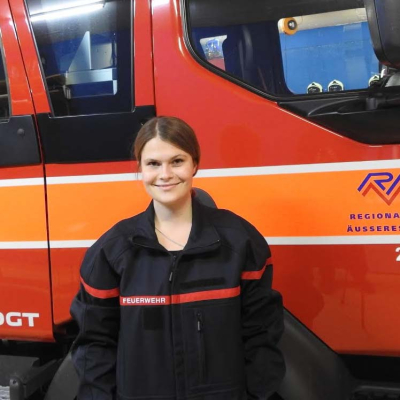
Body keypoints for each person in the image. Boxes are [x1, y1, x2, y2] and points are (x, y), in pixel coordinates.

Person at [70, 116, 285, 400]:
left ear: (195, 164)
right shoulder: (112, 251)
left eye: (177, 161)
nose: (165, 174)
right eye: (153, 163)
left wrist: (257, 395)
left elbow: (262, 335)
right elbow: (94, 345)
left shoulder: (239, 242)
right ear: (140, 169)